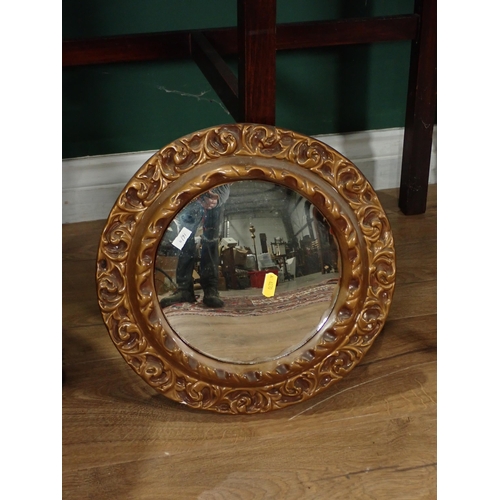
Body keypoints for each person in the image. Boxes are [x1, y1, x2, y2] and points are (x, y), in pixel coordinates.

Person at [160, 185, 230, 308]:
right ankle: (184, 290)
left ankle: (210, 290)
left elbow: (228, 177)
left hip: (214, 196)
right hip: (190, 199)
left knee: (210, 241)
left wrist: (218, 198)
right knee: (185, 239)